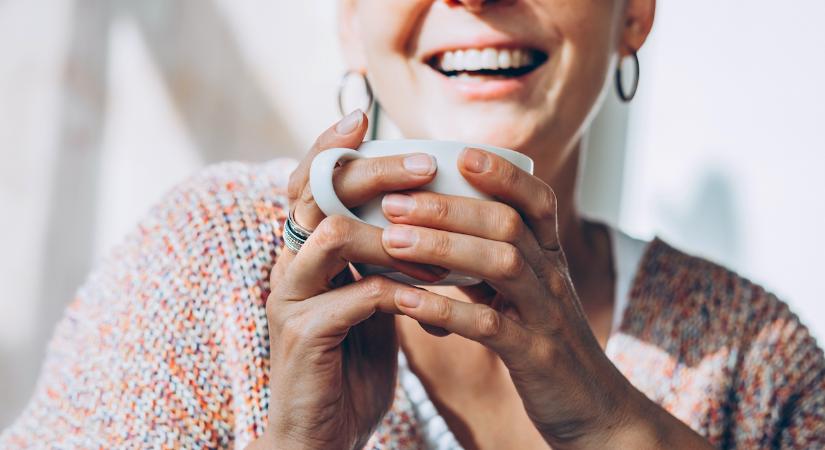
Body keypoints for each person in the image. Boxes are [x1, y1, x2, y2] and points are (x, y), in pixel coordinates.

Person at [2, 0, 823, 448]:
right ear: (351, 20)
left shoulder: (754, 361)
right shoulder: (207, 259)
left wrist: (612, 427)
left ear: (634, 12)